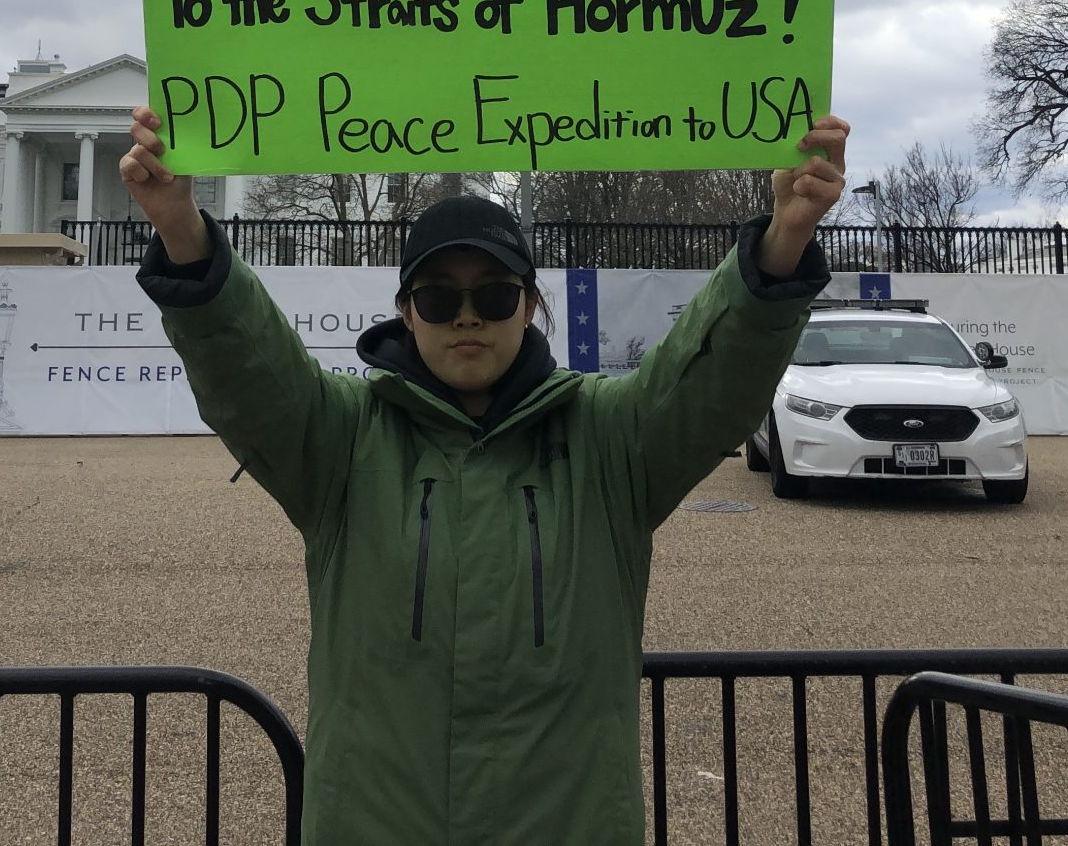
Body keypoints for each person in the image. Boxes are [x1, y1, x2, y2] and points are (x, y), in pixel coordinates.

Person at [121, 106, 847, 845]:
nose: (466, 317)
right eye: (439, 297)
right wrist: (182, 228)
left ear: (528, 305)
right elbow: (249, 367)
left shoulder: (611, 438)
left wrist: (783, 241)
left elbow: (711, 378)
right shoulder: (341, 439)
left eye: (494, 294)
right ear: (407, 313)